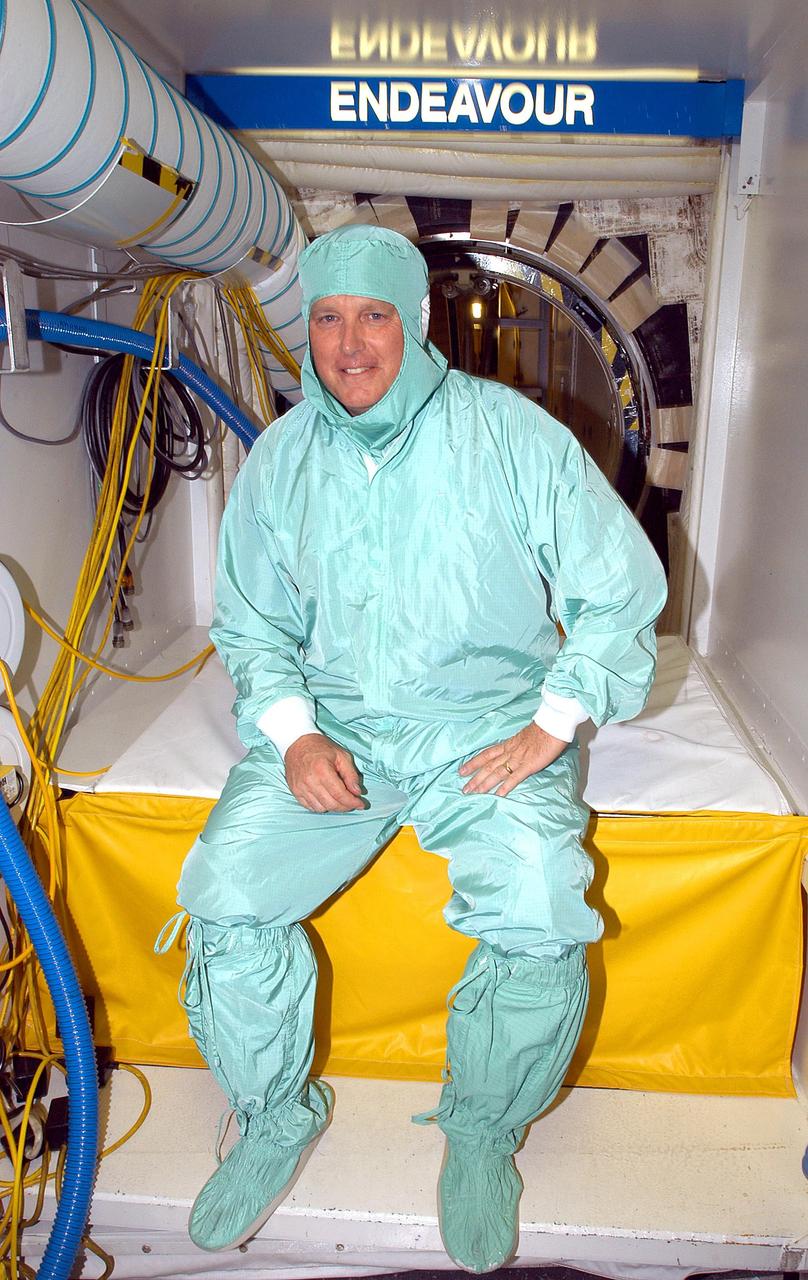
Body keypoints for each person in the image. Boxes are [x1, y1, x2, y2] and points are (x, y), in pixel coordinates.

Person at [168, 224, 667, 1272]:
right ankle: (273, 1112)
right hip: (339, 725)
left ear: (417, 322)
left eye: (374, 315)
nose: (350, 342)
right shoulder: (284, 456)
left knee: (539, 905)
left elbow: (617, 586)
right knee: (221, 891)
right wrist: (296, 734)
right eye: (331, 316)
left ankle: (482, 1127)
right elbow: (252, 624)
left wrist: (554, 718)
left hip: (486, 724)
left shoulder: (507, 435)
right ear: (309, 328)